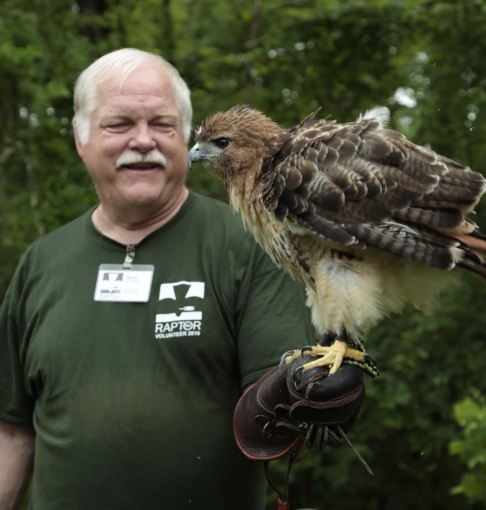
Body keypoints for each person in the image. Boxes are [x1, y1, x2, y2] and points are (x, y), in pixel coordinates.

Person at [0, 48, 314, 510]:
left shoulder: (252, 244)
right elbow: (11, 428)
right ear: (80, 138)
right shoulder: (41, 262)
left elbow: (281, 415)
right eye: (119, 124)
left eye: (162, 124)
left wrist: (303, 399)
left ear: (184, 137)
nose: (143, 140)